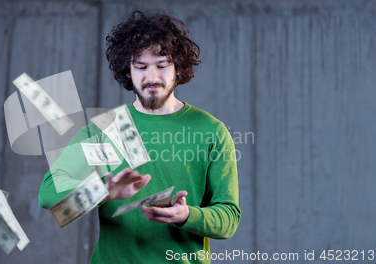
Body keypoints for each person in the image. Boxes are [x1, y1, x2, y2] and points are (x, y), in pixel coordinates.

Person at [39, 10, 240, 263]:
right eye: (141, 66)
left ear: (178, 68)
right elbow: (48, 195)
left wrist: (186, 215)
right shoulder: (106, 129)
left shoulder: (210, 130)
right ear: (127, 71)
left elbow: (229, 219)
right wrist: (102, 191)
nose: (151, 77)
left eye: (162, 65)